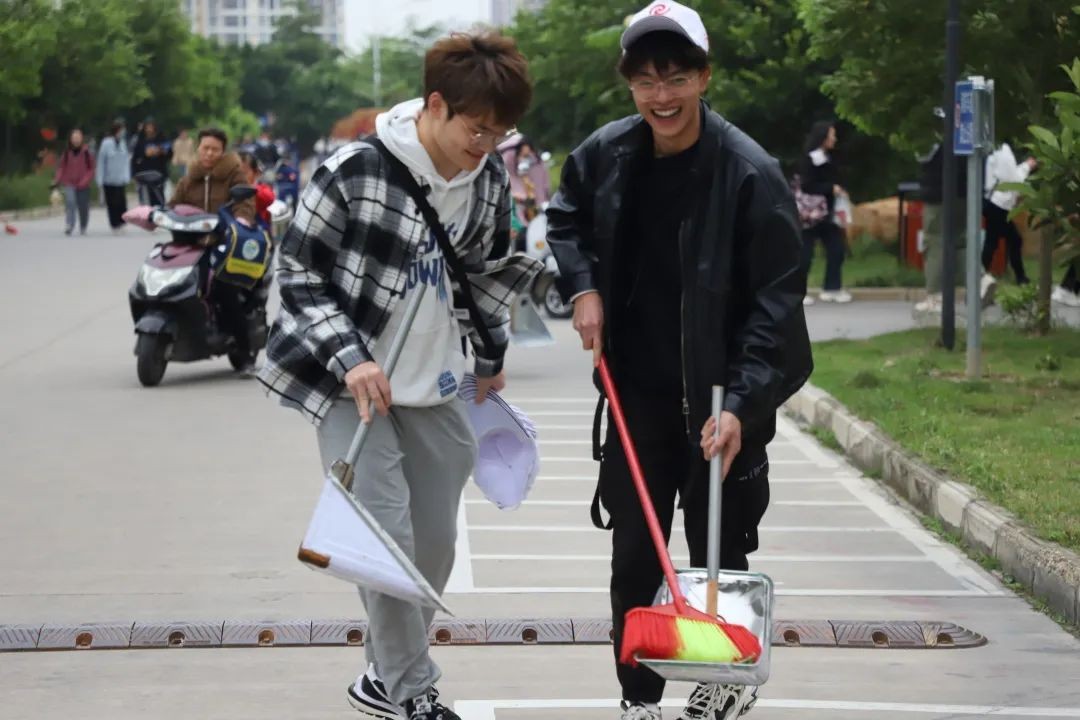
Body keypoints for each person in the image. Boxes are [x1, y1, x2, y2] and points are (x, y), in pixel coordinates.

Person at [257, 32, 536, 720]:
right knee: (385, 542)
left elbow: (487, 273)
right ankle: (413, 693)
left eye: (499, 133)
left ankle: (381, 675)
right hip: (349, 384)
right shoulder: (355, 169)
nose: (486, 145)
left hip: (434, 384)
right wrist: (351, 357)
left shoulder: (487, 180)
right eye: (477, 129)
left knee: (434, 546)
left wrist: (491, 358)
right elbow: (297, 272)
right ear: (436, 105)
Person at [545, 3, 812, 719]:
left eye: (676, 77)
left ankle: (722, 679)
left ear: (703, 77)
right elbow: (565, 217)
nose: (661, 96)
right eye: (645, 80)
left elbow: (777, 303)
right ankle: (638, 699)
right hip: (636, 395)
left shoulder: (749, 173)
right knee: (634, 554)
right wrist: (584, 287)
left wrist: (742, 406)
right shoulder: (607, 153)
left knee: (716, 547)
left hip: (719, 395)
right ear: (629, 84)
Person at [169, 127, 258, 375]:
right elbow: (174, 204)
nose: (209, 153)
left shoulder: (234, 175)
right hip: (191, 245)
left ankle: (245, 354)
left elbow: (245, 204)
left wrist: (241, 220)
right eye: (205, 148)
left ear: (222, 151)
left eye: (214, 149)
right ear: (198, 148)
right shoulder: (190, 176)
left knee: (225, 291)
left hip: (223, 246)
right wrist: (159, 214)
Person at [914, 111, 968, 314]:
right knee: (960, 242)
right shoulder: (963, 137)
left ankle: (935, 296)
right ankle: (980, 281)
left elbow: (921, 155)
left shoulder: (932, 140)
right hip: (963, 195)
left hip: (939, 197)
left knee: (935, 241)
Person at [799, 120, 851, 304]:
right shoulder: (810, 159)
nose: (834, 139)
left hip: (828, 214)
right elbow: (807, 185)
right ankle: (798, 291)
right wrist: (831, 188)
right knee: (805, 254)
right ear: (823, 137)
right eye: (832, 135)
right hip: (810, 214)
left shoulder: (829, 158)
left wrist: (838, 189)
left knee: (837, 249)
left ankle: (832, 288)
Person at [979, 141, 1036, 303]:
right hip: (999, 204)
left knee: (995, 241)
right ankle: (1019, 277)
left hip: (996, 203)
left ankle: (983, 276)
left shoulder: (999, 151)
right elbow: (1014, 180)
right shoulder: (1004, 152)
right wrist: (1027, 166)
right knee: (1009, 240)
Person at [53, 129, 96, 236]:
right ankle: (69, 225)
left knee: (83, 206)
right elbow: (61, 167)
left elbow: (91, 169)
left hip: (83, 184)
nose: (76, 140)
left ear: (81, 139)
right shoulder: (67, 152)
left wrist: (85, 180)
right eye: (74, 138)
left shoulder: (86, 152)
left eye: (78, 138)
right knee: (70, 202)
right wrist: (57, 179)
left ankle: (83, 226)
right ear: (71, 139)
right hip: (69, 182)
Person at [96, 120, 131, 233]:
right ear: (117, 130)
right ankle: (114, 224)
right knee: (112, 203)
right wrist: (100, 179)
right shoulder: (106, 143)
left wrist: (127, 176)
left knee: (121, 202)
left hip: (120, 179)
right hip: (108, 179)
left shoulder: (123, 143)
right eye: (122, 130)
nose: (123, 132)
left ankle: (122, 222)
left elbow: (126, 161)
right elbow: (101, 162)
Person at [131, 118, 172, 204]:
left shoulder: (161, 138)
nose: (149, 129)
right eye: (147, 127)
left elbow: (169, 153)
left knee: (159, 198)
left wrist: (160, 151)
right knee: (145, 199)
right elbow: (135, 157)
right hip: (144, 174)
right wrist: (134, 173)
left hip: (159, 173)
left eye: (151, 127)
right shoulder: (141, 140)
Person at [237, 151, 276, 229]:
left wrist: (250, 190)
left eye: (244, 173)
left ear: (256, 173)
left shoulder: (260, 190)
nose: (240, 178)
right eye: (236, 173)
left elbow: (269, 197)